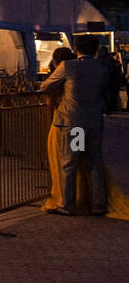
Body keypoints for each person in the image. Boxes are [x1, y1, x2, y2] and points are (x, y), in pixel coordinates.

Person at [41, 35, 108, 215]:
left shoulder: (68, 66)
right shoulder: (102, 68)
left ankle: (66, 204)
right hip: (94, 122)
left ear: (76, 49)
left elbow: (45, 86)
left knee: (69, 163)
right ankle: (98, 205)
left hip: (74, 123)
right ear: (95, 50)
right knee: (94, 162)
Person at [97, 45, 127, 113]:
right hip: (111, 82)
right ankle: (111, 108)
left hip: (105, 82)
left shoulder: (99, 60)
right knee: (111, 96)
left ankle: (108, 108)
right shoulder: (110, 60)